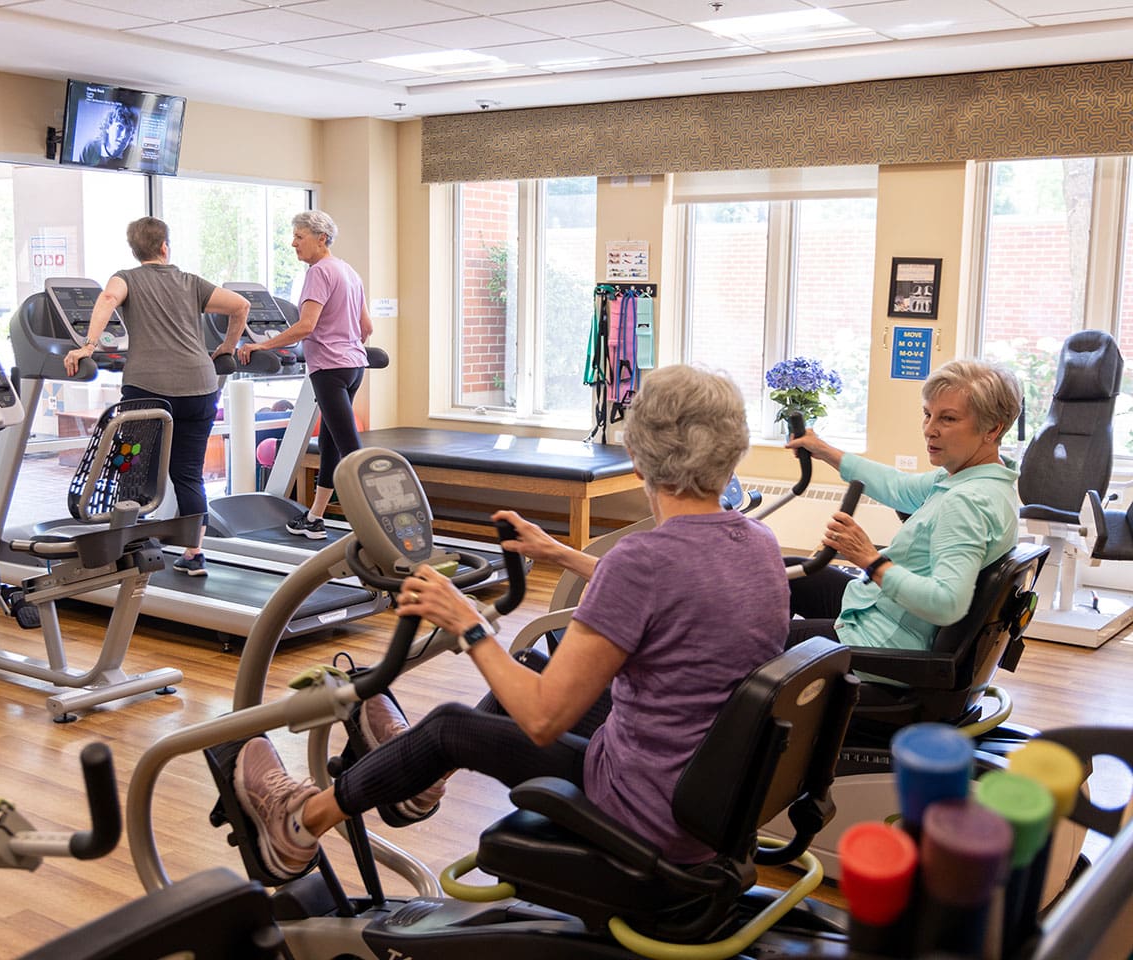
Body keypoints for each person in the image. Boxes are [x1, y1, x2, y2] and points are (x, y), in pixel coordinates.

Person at [233, 364, 792, 880]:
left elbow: (545, 718)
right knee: (525, 663)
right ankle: (416, 779)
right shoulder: (759, 543)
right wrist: (561, 554)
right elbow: (681, 587)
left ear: (640, 457)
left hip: (641, 808)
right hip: (705, 795)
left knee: (453, 724)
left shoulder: (643, 562)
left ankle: (299, 824)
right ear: (733, 451)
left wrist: (466, 623)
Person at [785, 359, 1023, 650]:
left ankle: (765, 681)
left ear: (992, 430)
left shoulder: (966, 501)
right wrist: (822, 450)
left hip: (882, 639)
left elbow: (947, 603)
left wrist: (870, 561)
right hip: (879, 609)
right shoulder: (978, 480)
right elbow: (897, 486)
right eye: (927, 414)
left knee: (748, 644)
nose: (929, 429)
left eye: (948, 419)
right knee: (784, 572)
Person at [63, 217, 250, 576]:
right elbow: (240, 305)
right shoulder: (191, 282)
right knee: (189, 474)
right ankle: (195, 553)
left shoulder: (126, 278)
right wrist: (226, 347)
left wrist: (88, 345)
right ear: (165, 247)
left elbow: (107, 298)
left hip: (148, 392)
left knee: (132, 470)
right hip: (199, 387)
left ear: (135, 249)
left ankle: (124, 547)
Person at [236, 210, 372, 540]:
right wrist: (345, 343)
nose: (293, 243)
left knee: (350, 450)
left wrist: (262, 346)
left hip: (329, 369)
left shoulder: (319, 272)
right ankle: (314, 518)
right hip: (353, 367)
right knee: (329, 444)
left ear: (321, 238)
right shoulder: (349, 271)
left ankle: (373, 525)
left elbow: (306, 326)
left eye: (299, 236)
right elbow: (366, 327)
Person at [77, 103, 138, 168]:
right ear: (107, 127)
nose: (124, 135)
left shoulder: (133, 154)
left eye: (129, 130)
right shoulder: (90, 147)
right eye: (119, 127)